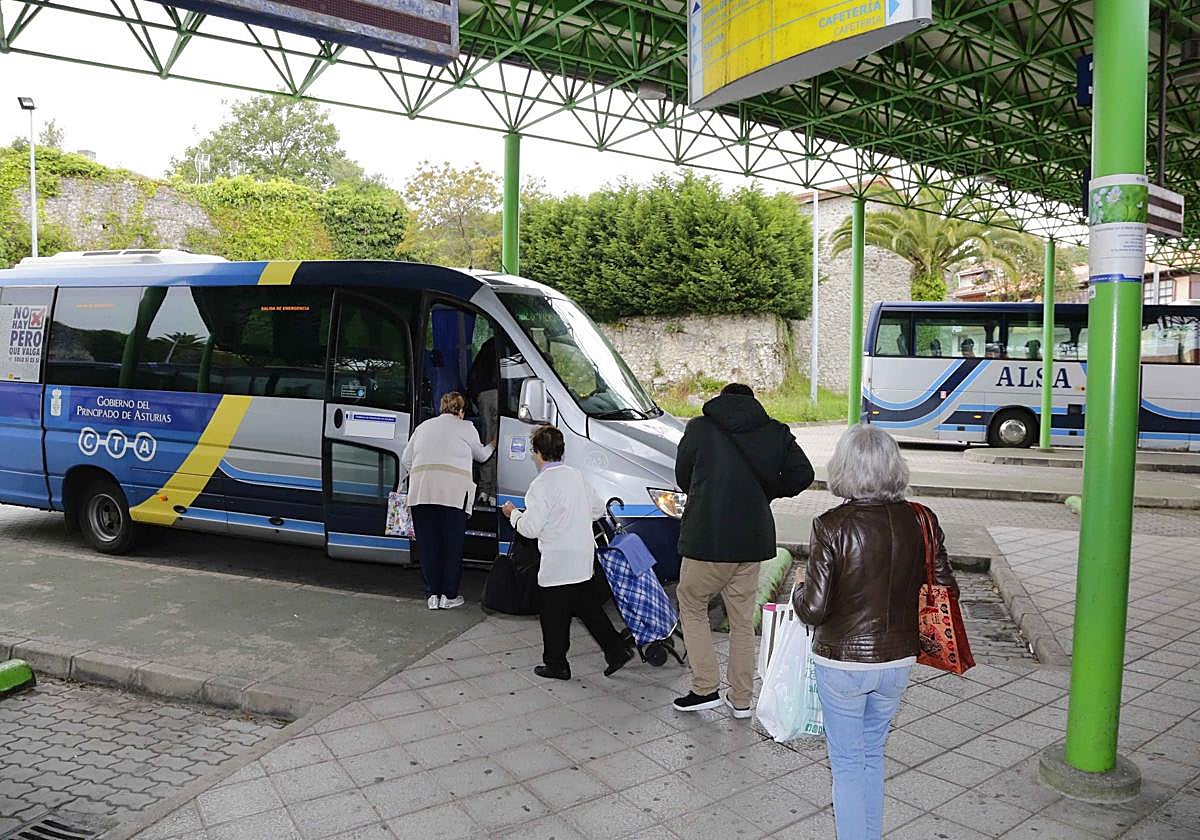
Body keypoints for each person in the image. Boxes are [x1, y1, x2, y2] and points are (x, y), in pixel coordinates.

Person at [794, 424, 959, 840]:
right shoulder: (921, 519)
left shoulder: (831, 525)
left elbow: (814, 609)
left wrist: (799, 588)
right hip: (899, 658)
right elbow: (946, 588)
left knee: (847, 762)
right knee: (871, 755)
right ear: (893, 466)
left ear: (844, 467)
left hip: (842, 662)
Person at [672, 383, 814, 717]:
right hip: (752, 540)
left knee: (692, 605)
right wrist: (766, 490)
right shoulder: (774, 431)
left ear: (721, 399)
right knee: (741, 621)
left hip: (706, 538)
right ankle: (741, 700)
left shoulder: (699, 428)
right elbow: (803, 474)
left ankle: (704, 688)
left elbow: (682, 478)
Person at [502, 425, 633, 681]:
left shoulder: (540, 485)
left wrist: (513, 514)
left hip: (557, 559)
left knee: (552, 614)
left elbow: (530, 528)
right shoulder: (577, 476)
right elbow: (596, 510)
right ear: (561, 451)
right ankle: (616, 650)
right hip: (582, 554)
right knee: (586, 605)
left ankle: (556, 664)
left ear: (537, 453)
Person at [401, 391, 495, 610]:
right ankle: (449, 596)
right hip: (452, 496)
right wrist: (493, 444)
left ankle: (432, 595)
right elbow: (481, 456)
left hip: (421, 493)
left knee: (428, 546)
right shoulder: (466, 427)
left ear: (441, 408)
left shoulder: (423, 427)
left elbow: (406, 459)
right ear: (461, 411)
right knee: (451, 547)